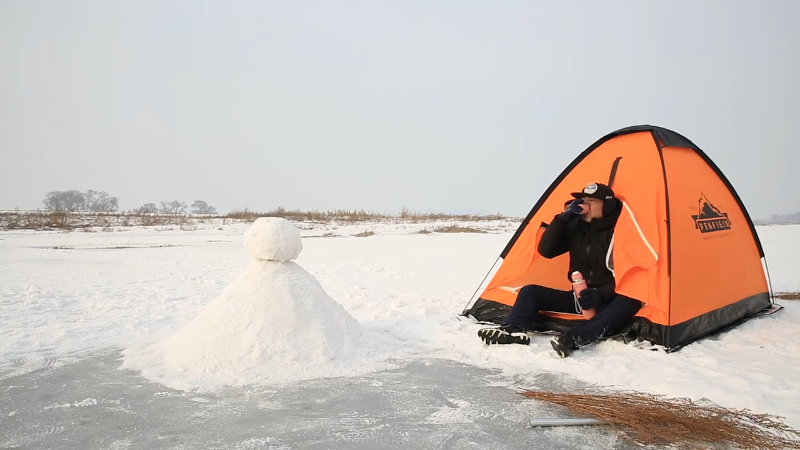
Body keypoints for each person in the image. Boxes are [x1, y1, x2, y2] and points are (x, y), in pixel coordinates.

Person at [477, 182, 643, 358]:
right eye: (583, 200)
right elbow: (546, 251)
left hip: (611, 298)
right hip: (582, 298)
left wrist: (602, 294)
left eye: (592, 201)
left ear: (608, 205)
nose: (584, 205)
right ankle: (513, 329)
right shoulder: (576, 228)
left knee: (630, 300)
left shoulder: (622, 230)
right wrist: (561, 220)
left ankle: (574, 338)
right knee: (530, 292)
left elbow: (634, 276)